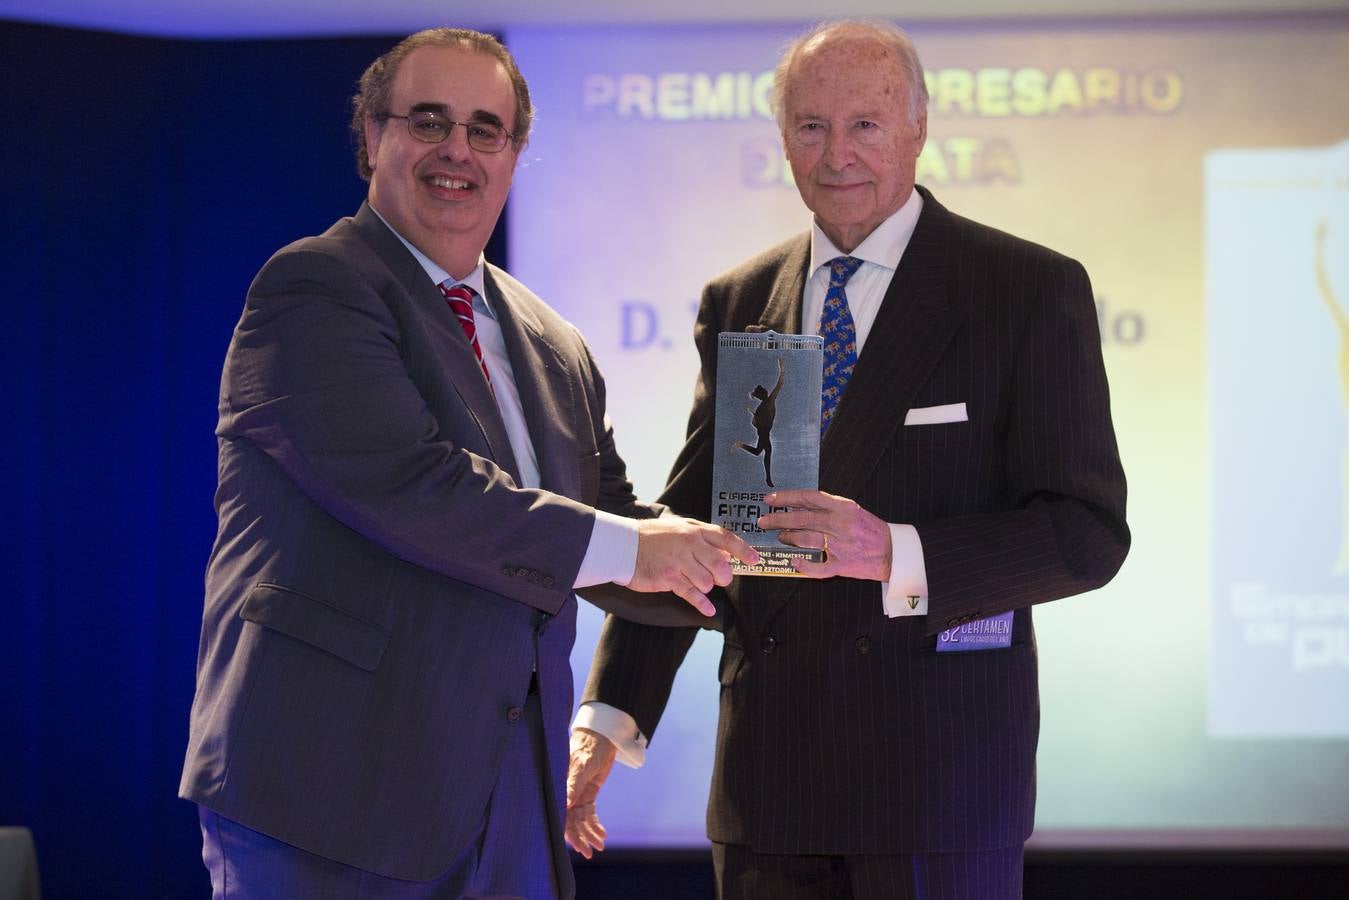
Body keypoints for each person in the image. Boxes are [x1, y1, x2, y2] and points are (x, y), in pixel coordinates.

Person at [178, 27, 755, 899]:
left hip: (506, 805)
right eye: (429, 120)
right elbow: (416, 488)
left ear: (516, 153)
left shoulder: (553, 342)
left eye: (487, 129)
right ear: (371, 136)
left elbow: (607, 523)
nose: (458, 150)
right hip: (329, 794)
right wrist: (644, 549)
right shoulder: (315, 288)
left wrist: (762, 571)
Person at [566, 19, 1130, 899]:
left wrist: (894, 553)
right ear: (782, 139)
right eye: (809, 126)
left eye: (864, 124)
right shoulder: (742, 300)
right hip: (768, 788)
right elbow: (685, 541)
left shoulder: (1022, 289)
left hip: (937, 789)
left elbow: (1086, 532)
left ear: (917, 128)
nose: (836, 155)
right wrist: (608, 717)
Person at [731, 357, 786, 487]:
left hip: (764, 433)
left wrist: (755, 416)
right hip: (763, 433)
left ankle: (768, 478)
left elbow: (779, 385)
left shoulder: (766, 403)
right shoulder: (765, 404)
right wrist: (755, 417)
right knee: (763, 453)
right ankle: (768, 478)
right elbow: (756, 424)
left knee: (763, 453)